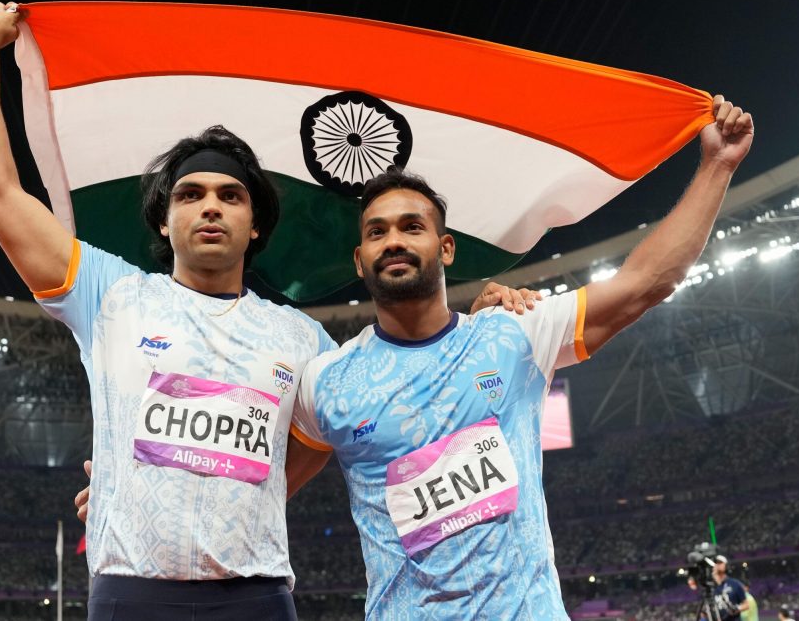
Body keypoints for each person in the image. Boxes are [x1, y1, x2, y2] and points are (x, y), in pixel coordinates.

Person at [0, 0, 531, 621]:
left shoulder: (303, 339)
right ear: (164, 219)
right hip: (132, 593)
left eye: (230, 196)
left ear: (254, 225)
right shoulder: (111, 296)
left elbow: (392, 394)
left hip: (255, 597)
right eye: (190, 194)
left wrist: (483, 323)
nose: (210, 206)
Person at [288, 96, 754, 619]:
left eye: (411, 227)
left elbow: (645, 282)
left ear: (446, 249)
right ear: (360, 259)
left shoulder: (513, 336)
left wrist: (718, 165)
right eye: (377, 232)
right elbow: (264, 493)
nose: (394, 241)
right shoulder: (327, 381)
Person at [709, 555, 749, 620]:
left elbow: (746, 605)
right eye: (715, 563)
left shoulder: (735, 584)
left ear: (726, 566)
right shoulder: (710, 587)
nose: (717, 565)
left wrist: (737, 608)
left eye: (720, 563)